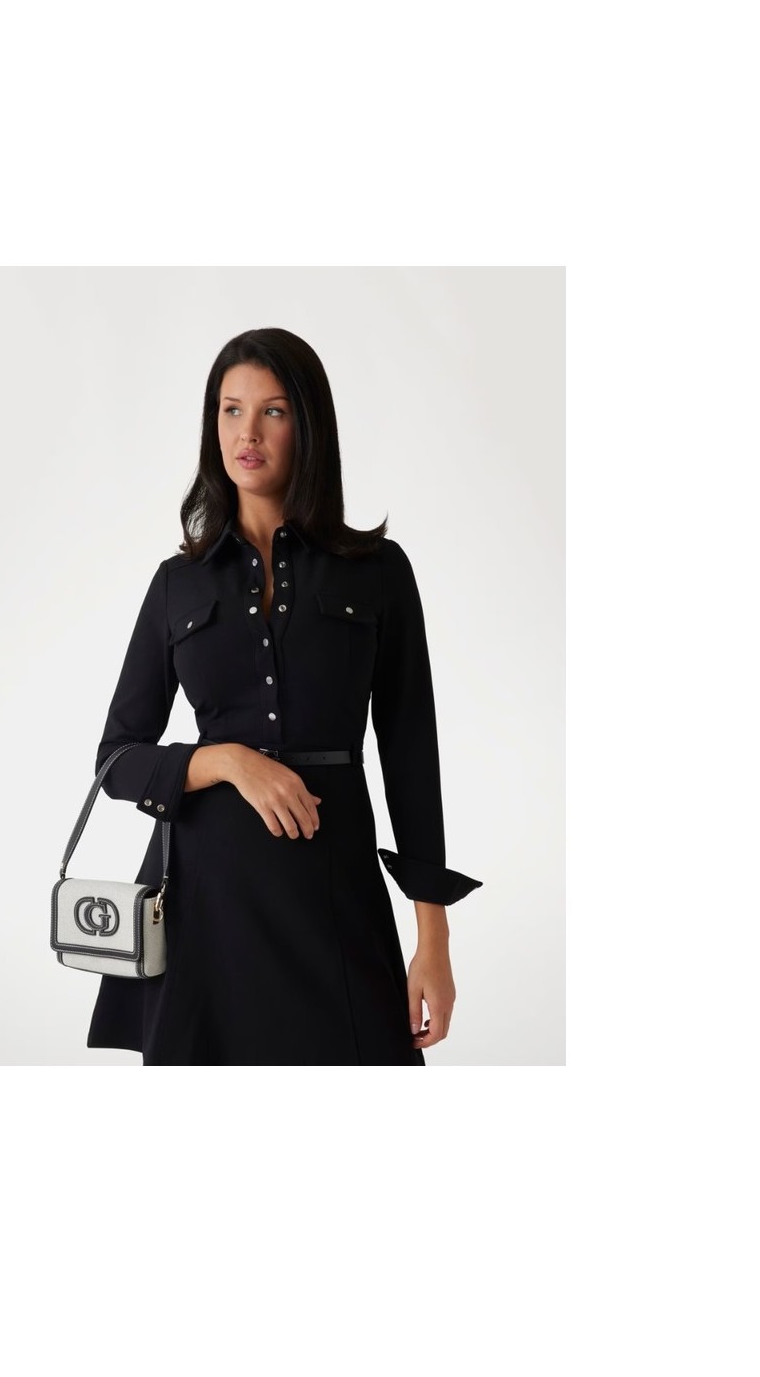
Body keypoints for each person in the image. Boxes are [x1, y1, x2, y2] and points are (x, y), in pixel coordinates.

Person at [86, 327, 483, 1065]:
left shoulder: (378, 572)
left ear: (308, 425)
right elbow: (116, 760)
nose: (248, 433)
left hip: (334, 898)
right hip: (204, 904)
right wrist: (226, 761)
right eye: (231, 410)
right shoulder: (178, 584)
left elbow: (411, 758)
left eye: (272, 411)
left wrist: (433, 940)